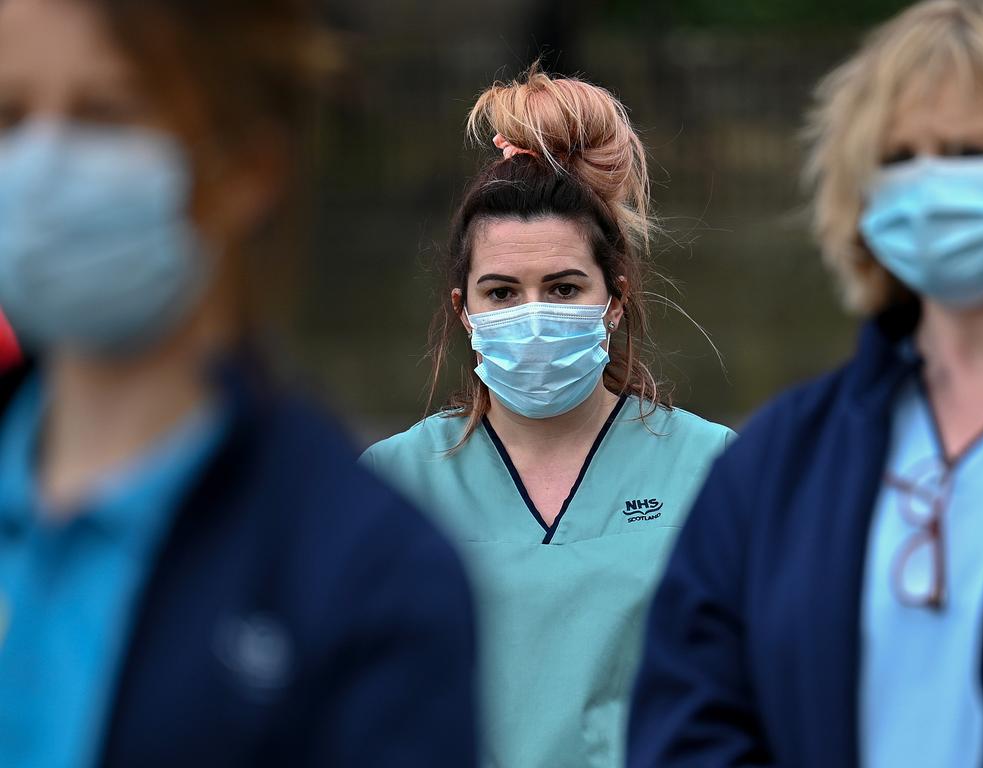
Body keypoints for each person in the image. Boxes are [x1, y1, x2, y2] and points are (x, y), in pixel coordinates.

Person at [0, 1, 477, 766]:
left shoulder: (361, 573)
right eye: (10, 117)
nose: (41, 162)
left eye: (105, 115)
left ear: (245, 170)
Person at [628, 1, 983, 766]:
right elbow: (690, 718)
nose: (933, 183)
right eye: (900, 159)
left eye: (970, 149)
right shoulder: (781, 458)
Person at [361, 65, 733, 768]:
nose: (533, 316)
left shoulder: (716, 472)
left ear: (614, 299)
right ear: (462, 311)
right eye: (502, 293)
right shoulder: (390, 485)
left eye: (563, 287)